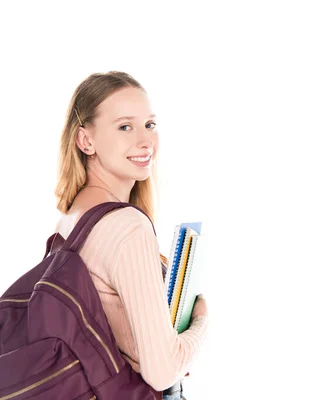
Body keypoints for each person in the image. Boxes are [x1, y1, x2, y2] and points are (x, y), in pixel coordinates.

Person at [54, 71, 207, 399]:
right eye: (125, 126)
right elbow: (162, 370)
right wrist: (200, 324)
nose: (145, 141)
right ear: (86, 140)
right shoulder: (126, 226)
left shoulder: (71, 216)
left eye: (150, 125)